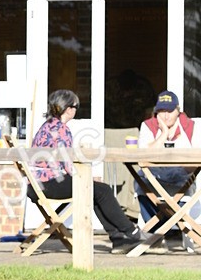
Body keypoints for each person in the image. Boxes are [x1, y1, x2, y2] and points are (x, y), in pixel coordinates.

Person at [31, 89, 154, 253]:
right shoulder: (61, 130)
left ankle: (119, 239)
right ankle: (131, 231)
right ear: (68, 109)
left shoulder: (46, 127)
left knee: (96, 190)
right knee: (103, 190)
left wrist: (86, 179)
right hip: (49, 184)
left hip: (38, 185)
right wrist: (85, 178)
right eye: (76, 107)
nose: (76, 110)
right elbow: (67, 164)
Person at [137, 89, 200, 252]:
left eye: (170, 111)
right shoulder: (148, 126)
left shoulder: (190, 127)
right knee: (140, 179)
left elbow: (196, 158)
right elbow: (143, 156)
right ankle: (155, 234)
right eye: (161, 111)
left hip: (182, 177)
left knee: (182, 182)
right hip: (154, 178)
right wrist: (163, 134)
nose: (165, 116)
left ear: (178, 111)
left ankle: (162, 230)